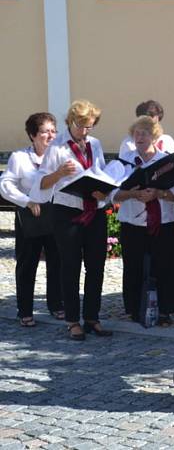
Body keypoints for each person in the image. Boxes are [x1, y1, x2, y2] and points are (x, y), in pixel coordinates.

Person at [35, 100, 112, 340]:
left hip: (94, 210)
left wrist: (104, 191)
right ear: (71, 121)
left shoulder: (95, 144)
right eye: (81, 125)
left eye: (90, 126)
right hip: (67, 212)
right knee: (70, 266)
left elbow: (100, 173)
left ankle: (92, 317)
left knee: (96, 265)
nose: (85, 131)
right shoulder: (56, 146)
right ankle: (72, 320)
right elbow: (42, 182)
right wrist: (59, 173)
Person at [114, 116, 174, 326]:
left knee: (165, 265)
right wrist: (131, 194)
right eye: (136, 133)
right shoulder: (124, 161)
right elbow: (113, 194)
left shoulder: (168, 162)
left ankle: (164, 310)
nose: (139, 137)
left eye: (144, 133)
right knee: (133, 265)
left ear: (154, 136)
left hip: (163, 221)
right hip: (132, 222)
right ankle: (135, 309)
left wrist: (159, 193)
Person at [0, 113, 63, 326]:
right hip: (30, 216)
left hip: (55, 214)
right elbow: (6, 185)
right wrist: (26, 201)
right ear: (33, 135)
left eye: (53, 130)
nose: (51, 135)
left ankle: (56, 304)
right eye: (45, 131)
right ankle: (25, 310)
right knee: (27, 264)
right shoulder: (19, 157)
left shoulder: (60, 156)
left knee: (57, 261)